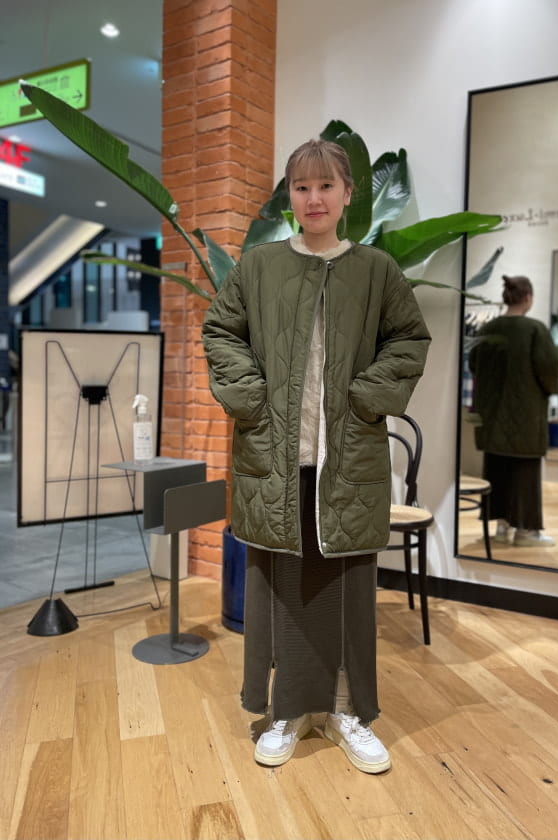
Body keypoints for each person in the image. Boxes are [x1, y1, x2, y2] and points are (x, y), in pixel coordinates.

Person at [202, 139, 431, 773]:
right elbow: (221, 330)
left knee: (349, 588)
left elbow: (409, 339)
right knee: (278, 586)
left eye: (326, 185)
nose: (314, 198)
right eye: (301, 187)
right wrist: (252, 399)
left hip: (347, 454)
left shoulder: (376, 269)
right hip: (274, 454)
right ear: (291, 196)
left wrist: (365, 399)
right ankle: (285, 711)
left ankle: (347, 711)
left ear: (348, 193)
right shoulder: (260, 266)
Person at [468, 274, 558, 547]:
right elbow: (549, 370)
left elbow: (474, 365)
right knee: (525, 472)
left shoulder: (488, 329)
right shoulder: (535, 330)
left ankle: (501, 529)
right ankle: (526, 532)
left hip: (492, 416)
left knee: (496, 468)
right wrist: (550, 390)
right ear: (528, 298)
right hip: (526, 417)